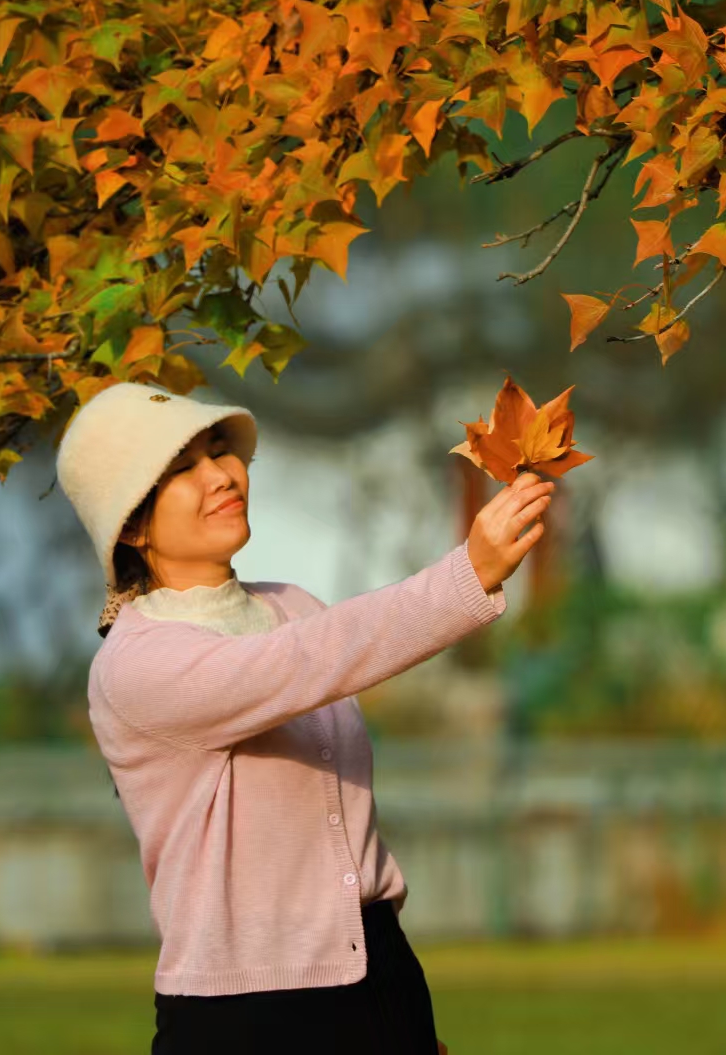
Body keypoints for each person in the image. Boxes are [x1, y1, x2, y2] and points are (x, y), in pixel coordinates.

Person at [56, 381, 553, 1054]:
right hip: (247, 1011)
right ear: (132, 526)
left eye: (219, 450)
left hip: (381, 972)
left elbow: (318, 655)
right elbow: (300, 662)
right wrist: (467, 574)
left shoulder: (295, 606)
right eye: (182, 468)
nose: (221, 474)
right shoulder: (136, 666)